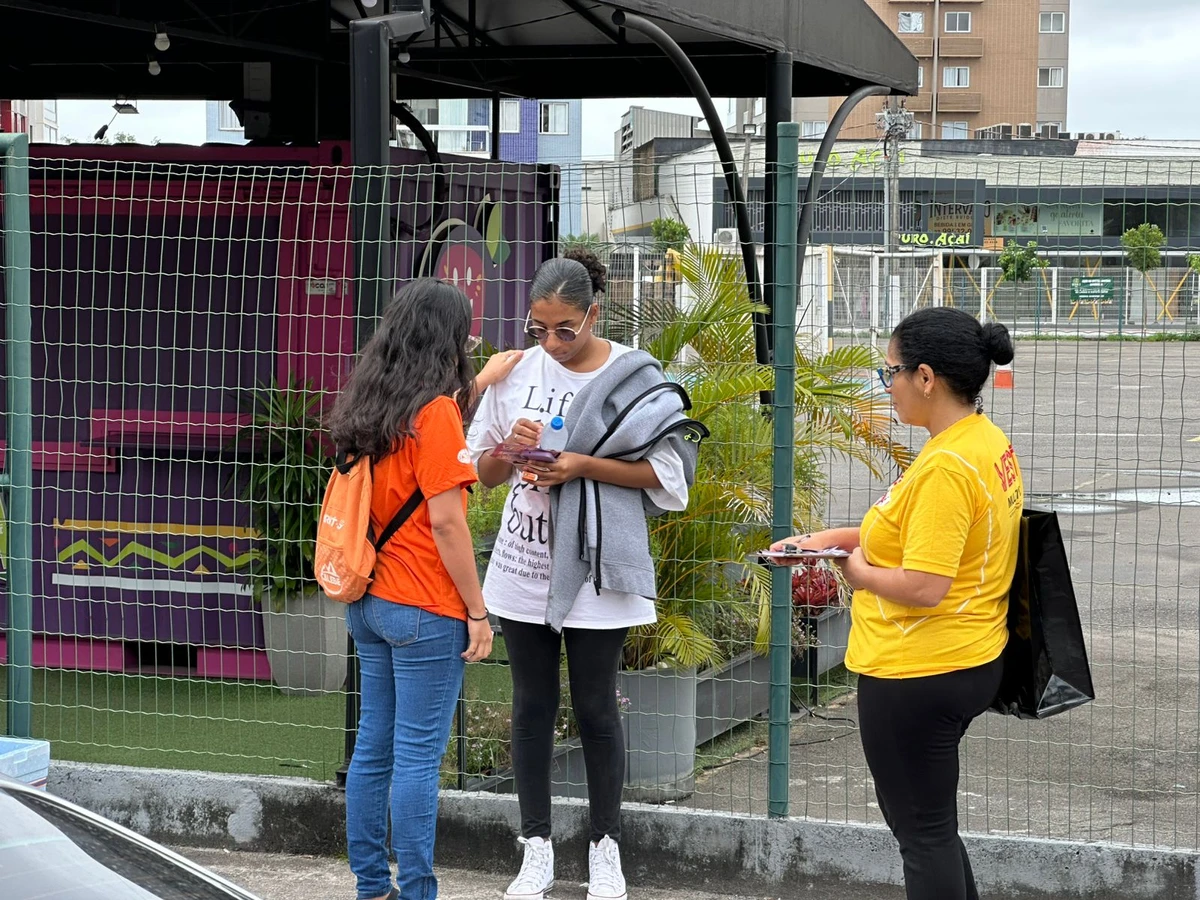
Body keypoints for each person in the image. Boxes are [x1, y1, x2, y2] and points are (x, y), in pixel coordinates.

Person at [467, 249, 703, 900]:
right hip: (523, 560)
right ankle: (535, 847)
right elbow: (482, 472)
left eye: (565, 329)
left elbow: (667, 475)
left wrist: (579, 466)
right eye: (538, 328)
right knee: (531, 706)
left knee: (598, 707)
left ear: (594, 313)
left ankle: (607, 848)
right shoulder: (513, 374)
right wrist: (511, 450)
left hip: (599, 566)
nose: (551, 342)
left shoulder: (634, 375)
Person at [771, 307, 1024, 900]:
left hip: (918, 668)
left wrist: (855, 573)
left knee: (922, 834)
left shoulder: (947, 467)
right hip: (969, 654)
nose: (886, 389)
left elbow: (926, 584)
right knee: (932, 827)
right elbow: (925, 539)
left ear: (927, 377)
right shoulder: (982, 440)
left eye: (890, 374)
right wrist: (833, 541)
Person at [328, 278, 522, 900]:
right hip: (425, 607)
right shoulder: (434, 413)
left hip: (370, 599)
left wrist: (481, 385)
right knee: (416, 757)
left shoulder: (371, 401)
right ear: (449, 339)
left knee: (373, 748)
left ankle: (370, 886)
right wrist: (478, 611)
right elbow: (446, 520)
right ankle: (417, 891)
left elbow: (423, 446)